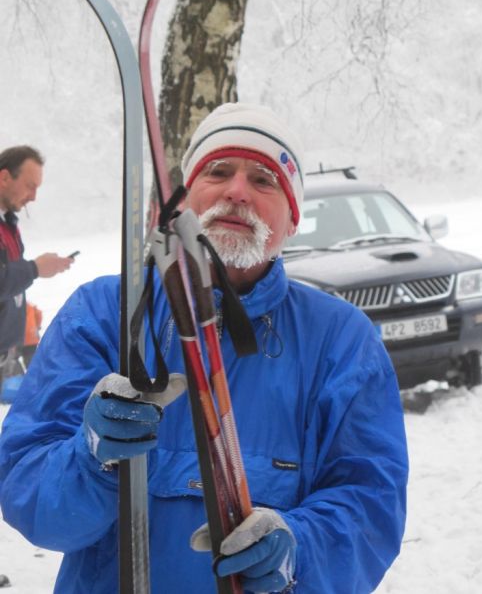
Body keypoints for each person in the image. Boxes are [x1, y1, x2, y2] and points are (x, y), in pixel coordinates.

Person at [0, 105, 408, 593]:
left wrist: (299, 547)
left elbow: (370, 503)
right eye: (218, 172)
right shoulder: (106, 313)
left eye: (264, 180)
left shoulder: (340, 340)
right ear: (187, 198)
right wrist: (90, 459)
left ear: (293, 218)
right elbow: (32, 498)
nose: (237, 191)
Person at [0, 146, 74, 388]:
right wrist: (34, 269)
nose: (33, 197)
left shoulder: (8, 223)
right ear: (4, 177)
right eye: (30, 186)